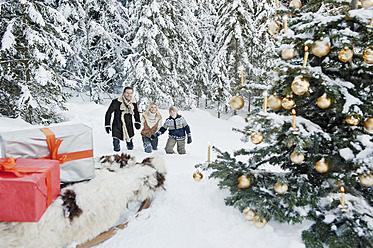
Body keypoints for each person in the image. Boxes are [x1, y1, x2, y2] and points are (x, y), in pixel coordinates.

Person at [105, 87, 141, 151]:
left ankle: (131, 151)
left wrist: (137, 122)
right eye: (127, 93)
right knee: (116, 147)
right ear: (124, 93)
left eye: (130, 93)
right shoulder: (116, 102)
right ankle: (116, 154)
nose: (129, 95)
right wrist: (107, 125)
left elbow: (136, 113)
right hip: (117, 125)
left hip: (128, 125)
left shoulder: (133, 102)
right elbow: (108, 113)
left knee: (130, 146)